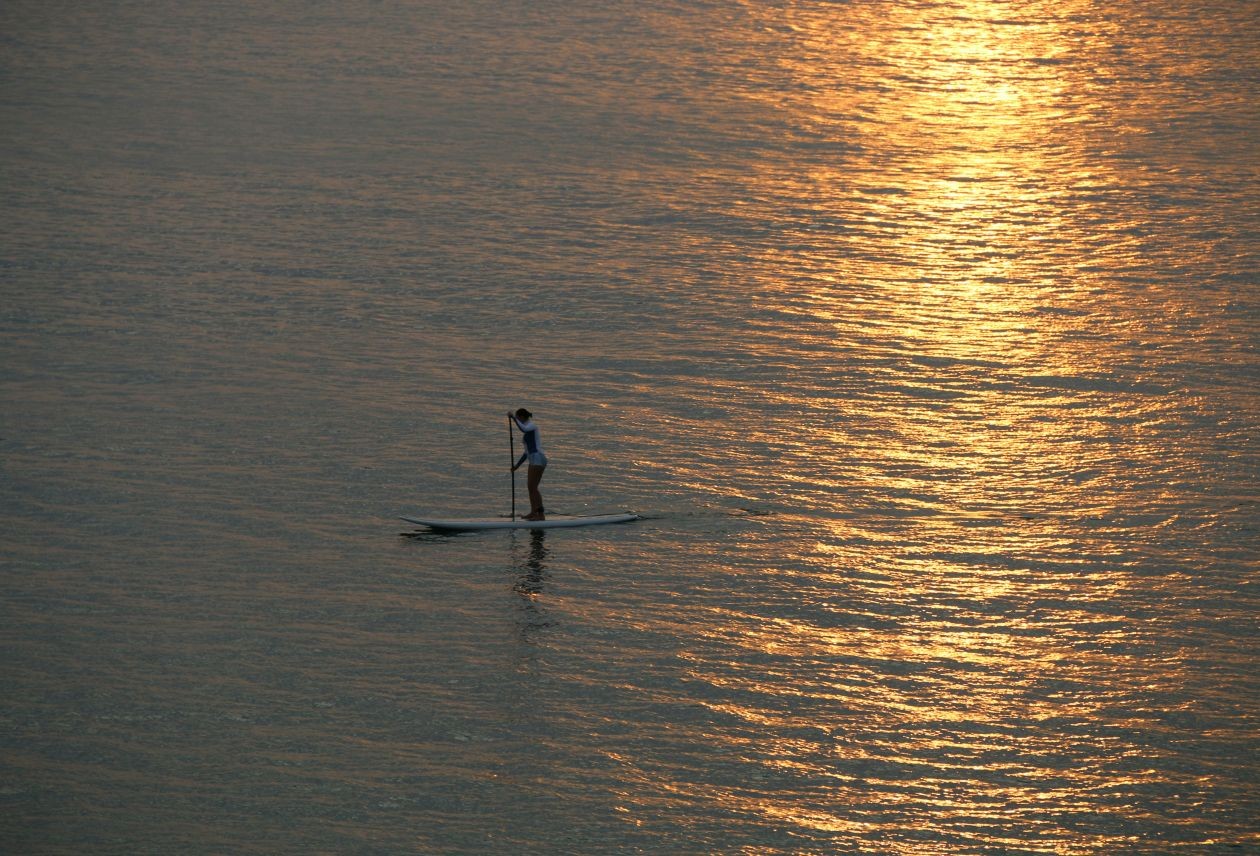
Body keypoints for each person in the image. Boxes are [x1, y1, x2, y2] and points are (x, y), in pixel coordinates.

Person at [509, 408, 547, 520]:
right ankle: (533, 512)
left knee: (533, 487)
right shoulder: (527, 430)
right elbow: (526, 453)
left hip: (538, 458)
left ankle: (540, 515)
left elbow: (523, 429)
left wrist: (513, 418)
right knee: (531, 487)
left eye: (518, 417)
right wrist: (516, 466)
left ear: (522, 417)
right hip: (533, 458)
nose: (518, 420)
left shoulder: (532, 426)